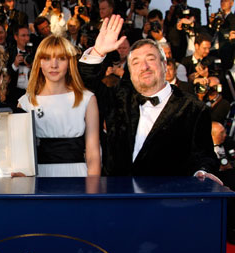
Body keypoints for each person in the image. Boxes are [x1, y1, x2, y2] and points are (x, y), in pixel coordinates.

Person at [78, 15, 219, 180]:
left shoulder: (193, 107)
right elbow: (84, 81)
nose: (144, 67)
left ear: (164, 65)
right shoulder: (118, 97)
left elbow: (204, 156)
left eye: (150, 60)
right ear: (130, 73)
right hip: (118, 197)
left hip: (166, 200)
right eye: (136, 62)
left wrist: (202, 173)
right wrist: (98, 51)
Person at [18, 35, 100, 177]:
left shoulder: (87, 99)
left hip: (78, 176)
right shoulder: (25, 102)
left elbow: (93, 154)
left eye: (61, 58)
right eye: (47, 58)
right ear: (39, 63)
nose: (53, 65)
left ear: (69, 62)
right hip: (39, 178)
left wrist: (92, 195)